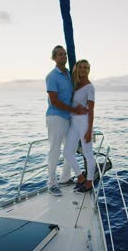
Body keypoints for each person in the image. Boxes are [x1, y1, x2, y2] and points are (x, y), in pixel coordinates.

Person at [45, 45, 87, 196]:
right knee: (55, 150)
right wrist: (74, 110)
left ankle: (65, 178)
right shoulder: (52, 76)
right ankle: (51, 184)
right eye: (60, 55)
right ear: (54, 58)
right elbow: (54, 101)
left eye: (64, 54)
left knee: (69, 149)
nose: (63, 57)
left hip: (68, 117)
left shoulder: (69, 74)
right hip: (56, 117)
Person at [63, 59, 96, 194]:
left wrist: (89, 130)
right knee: (67, 152)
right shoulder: (76, 85)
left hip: (84, 122)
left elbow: (92, 110)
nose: (83, 70)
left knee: (88, 154)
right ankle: (80, 177)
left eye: (86, 68)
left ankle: (89, 183)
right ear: (77, 69)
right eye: (81, 67)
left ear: (89, 70)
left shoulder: (90, 87)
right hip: (74, 122)